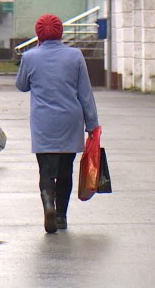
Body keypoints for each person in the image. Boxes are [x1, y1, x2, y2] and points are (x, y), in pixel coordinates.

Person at [15, 13, 99, 234]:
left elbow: (21, 85)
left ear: (38, 33)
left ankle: (48, 205)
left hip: (44, 122)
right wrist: (92, 124)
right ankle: (61, 216)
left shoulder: (30, 57)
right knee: (66, 171)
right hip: (70, 121)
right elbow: (85, 92)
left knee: (45, 170)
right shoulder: (75, 56)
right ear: (61, 32)